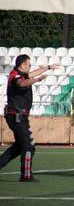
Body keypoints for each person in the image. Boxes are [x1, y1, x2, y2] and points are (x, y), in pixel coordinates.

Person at [0, 54, 59, 182]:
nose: (30, 67)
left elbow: (32, 74)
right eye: (29, 64)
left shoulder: (22, 74)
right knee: (29, 145)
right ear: (23, 65)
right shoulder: (15, 75)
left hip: (19, 116)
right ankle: (26, 175)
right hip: (17, 116)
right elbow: (22, 84)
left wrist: (49, 67)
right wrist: (38, 80)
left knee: (19, 146)